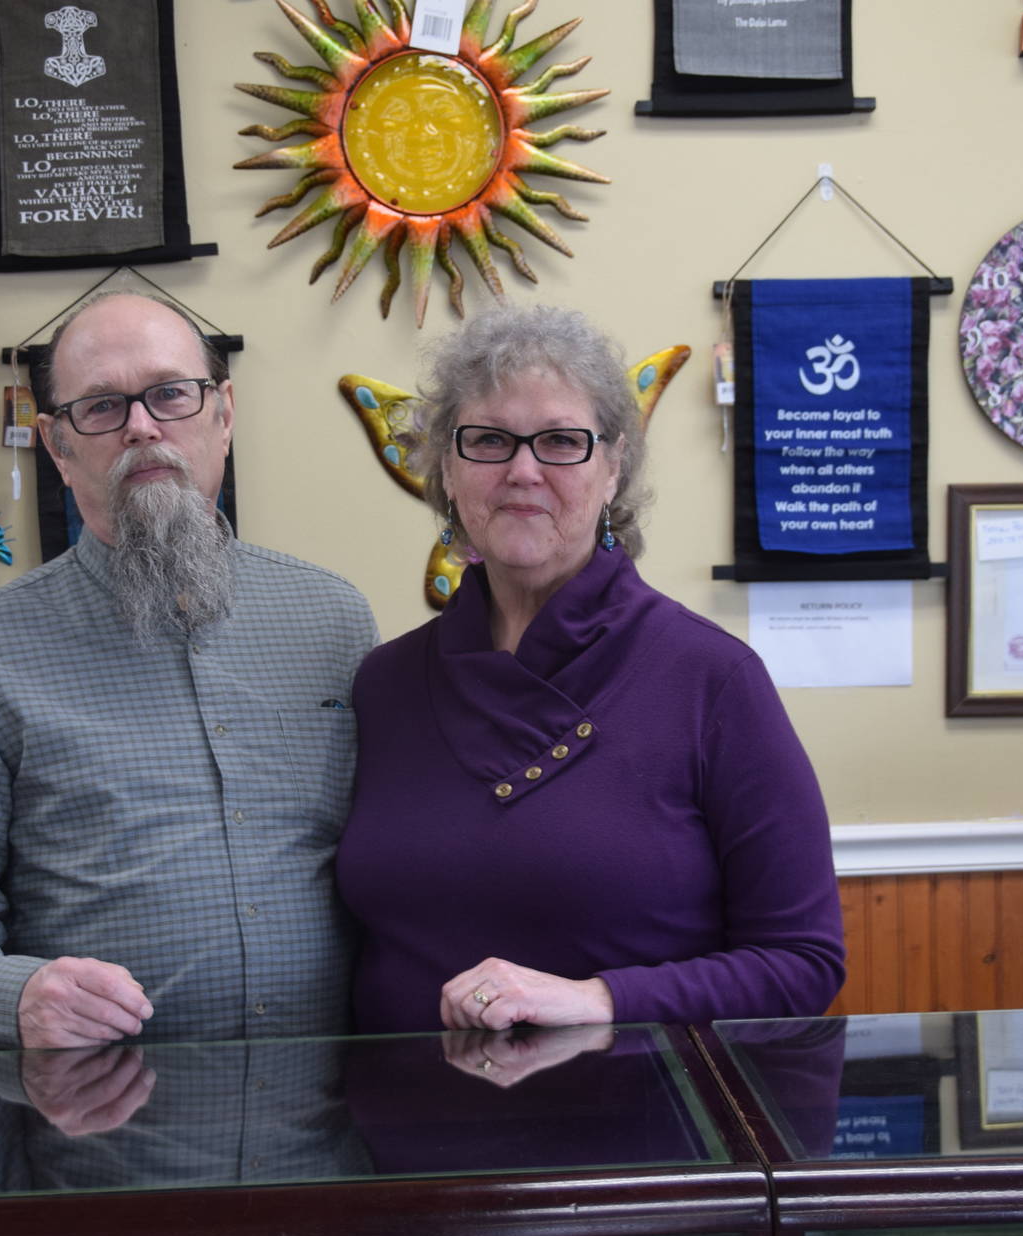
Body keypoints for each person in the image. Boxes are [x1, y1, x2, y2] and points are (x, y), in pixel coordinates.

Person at [0, 293, 378, 1050]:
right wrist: (13, 996)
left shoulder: (334, 620)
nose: (143, 426)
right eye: (102, 407)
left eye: (171, 393)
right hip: (108, 1134)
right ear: (57, 445)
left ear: (223, 414)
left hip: (331, 1128)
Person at [337, 305, 845, 1033]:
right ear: (445, 469)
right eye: (487, 440)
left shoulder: (714, 678)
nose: (521, 470)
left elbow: (803, 961)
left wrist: (599, 999)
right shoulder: (383, 683)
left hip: (637, 1128)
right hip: (401, 1134)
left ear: (613, 469)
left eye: (560, 442)